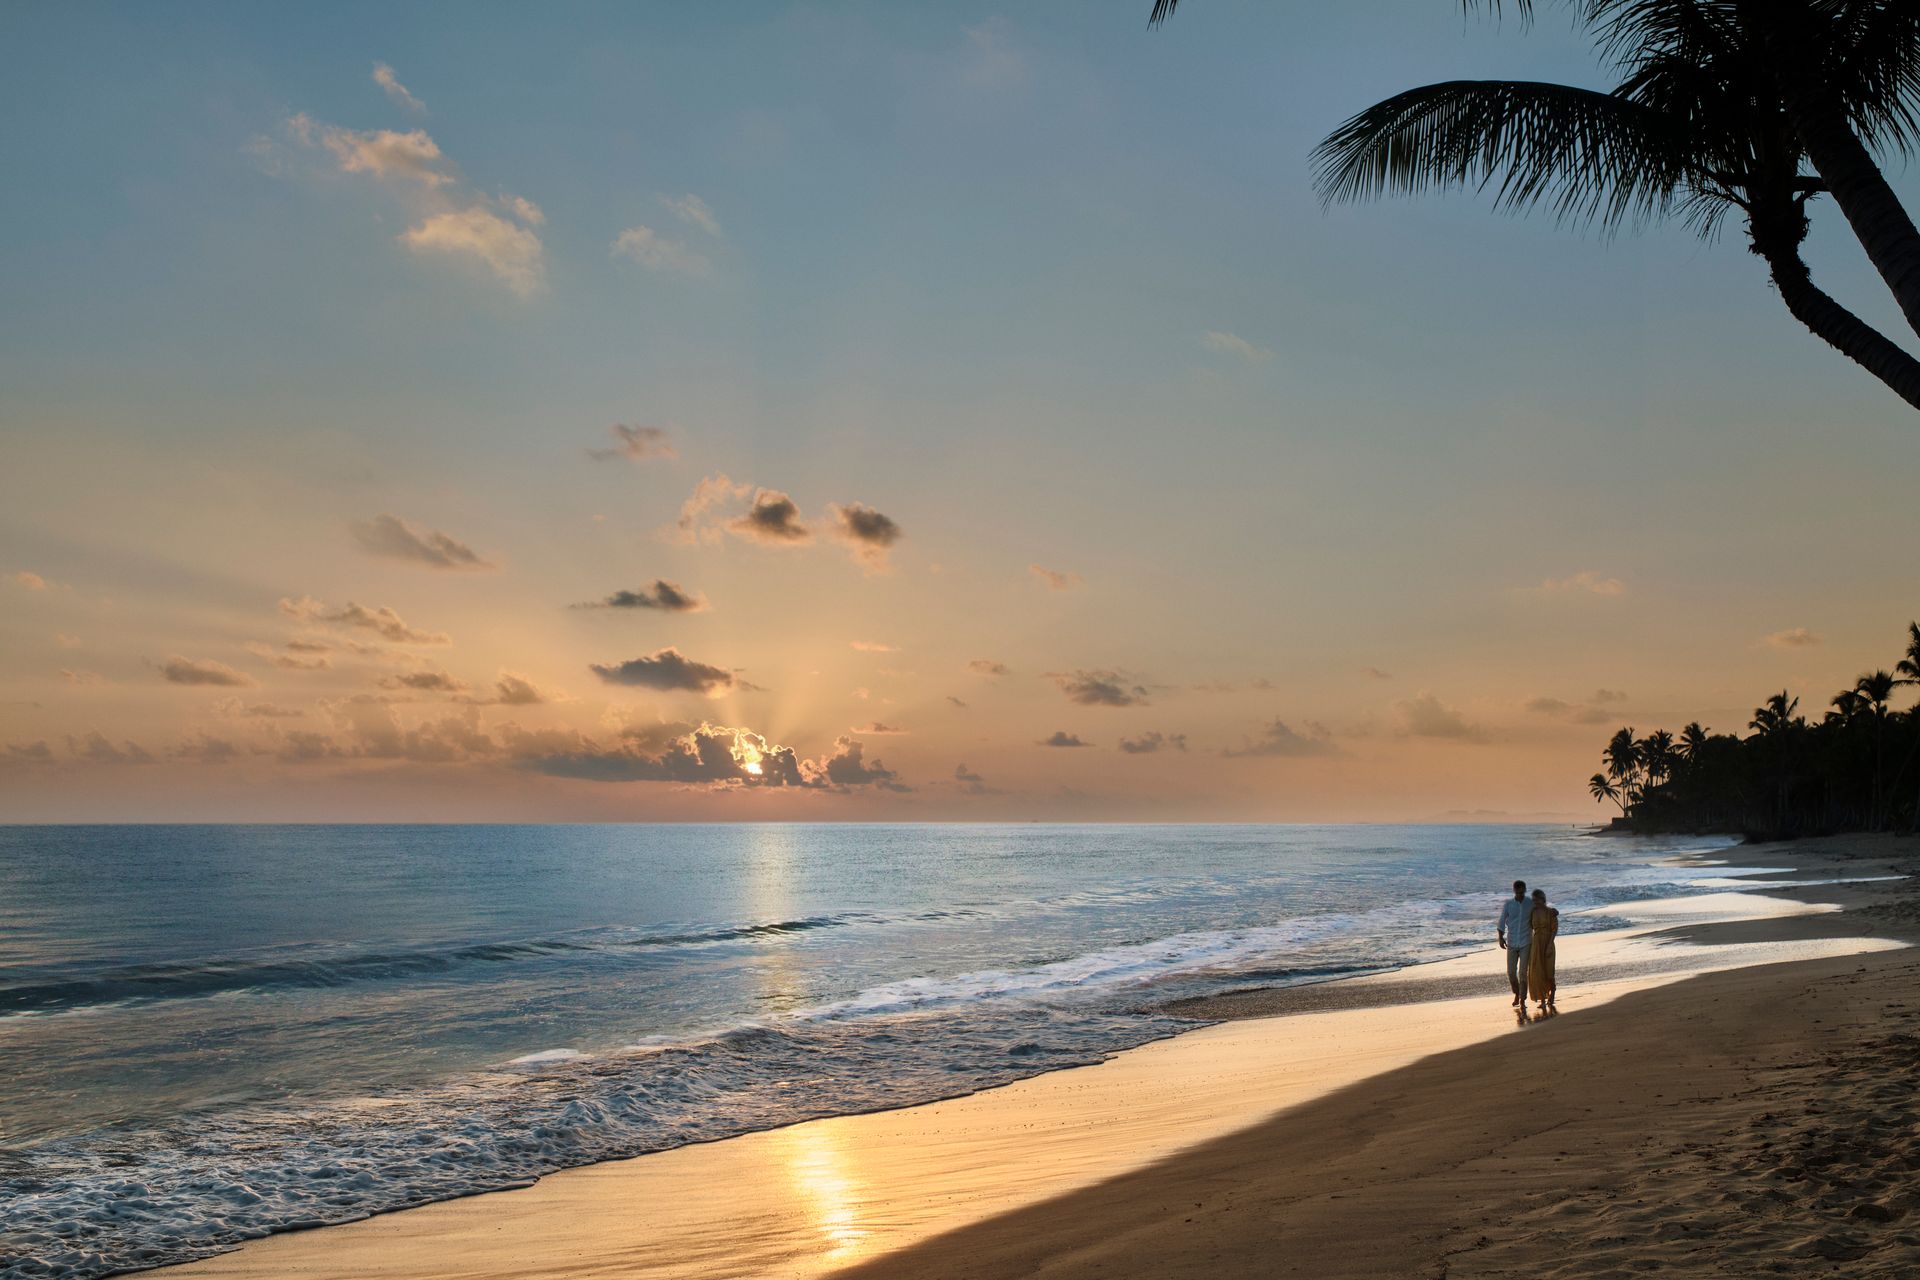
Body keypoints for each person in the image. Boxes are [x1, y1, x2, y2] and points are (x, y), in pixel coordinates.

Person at [1496, 879, 1532, 1008]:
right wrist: (1500, 938)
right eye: (1518, 892)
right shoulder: (1509, 904)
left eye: (1522, 892)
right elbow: (1501, 922)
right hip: (1511, 942)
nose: (1520, 895)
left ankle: (1522, 999)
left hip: (1526, 942)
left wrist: (1552, 911)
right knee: (1511, 972)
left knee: (1523, 972)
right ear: (1514, 891)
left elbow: (1541, 909)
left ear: (1525, 890)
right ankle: (1517, 993)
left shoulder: (1530, 903)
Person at [1528, 888, 1558, 1012]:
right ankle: (1542, 1000)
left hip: (1548, 942)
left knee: (1549, 972)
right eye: (1533, 900)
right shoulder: (1531, 912)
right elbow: (1527, 926)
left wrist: (1550, 944)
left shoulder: (1550, 912)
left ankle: (1553, 990)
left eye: (1537, 900)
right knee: (1537, 972)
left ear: (1542, 899)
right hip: (1536, 943)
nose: (1535, 902)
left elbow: (1554, 929)